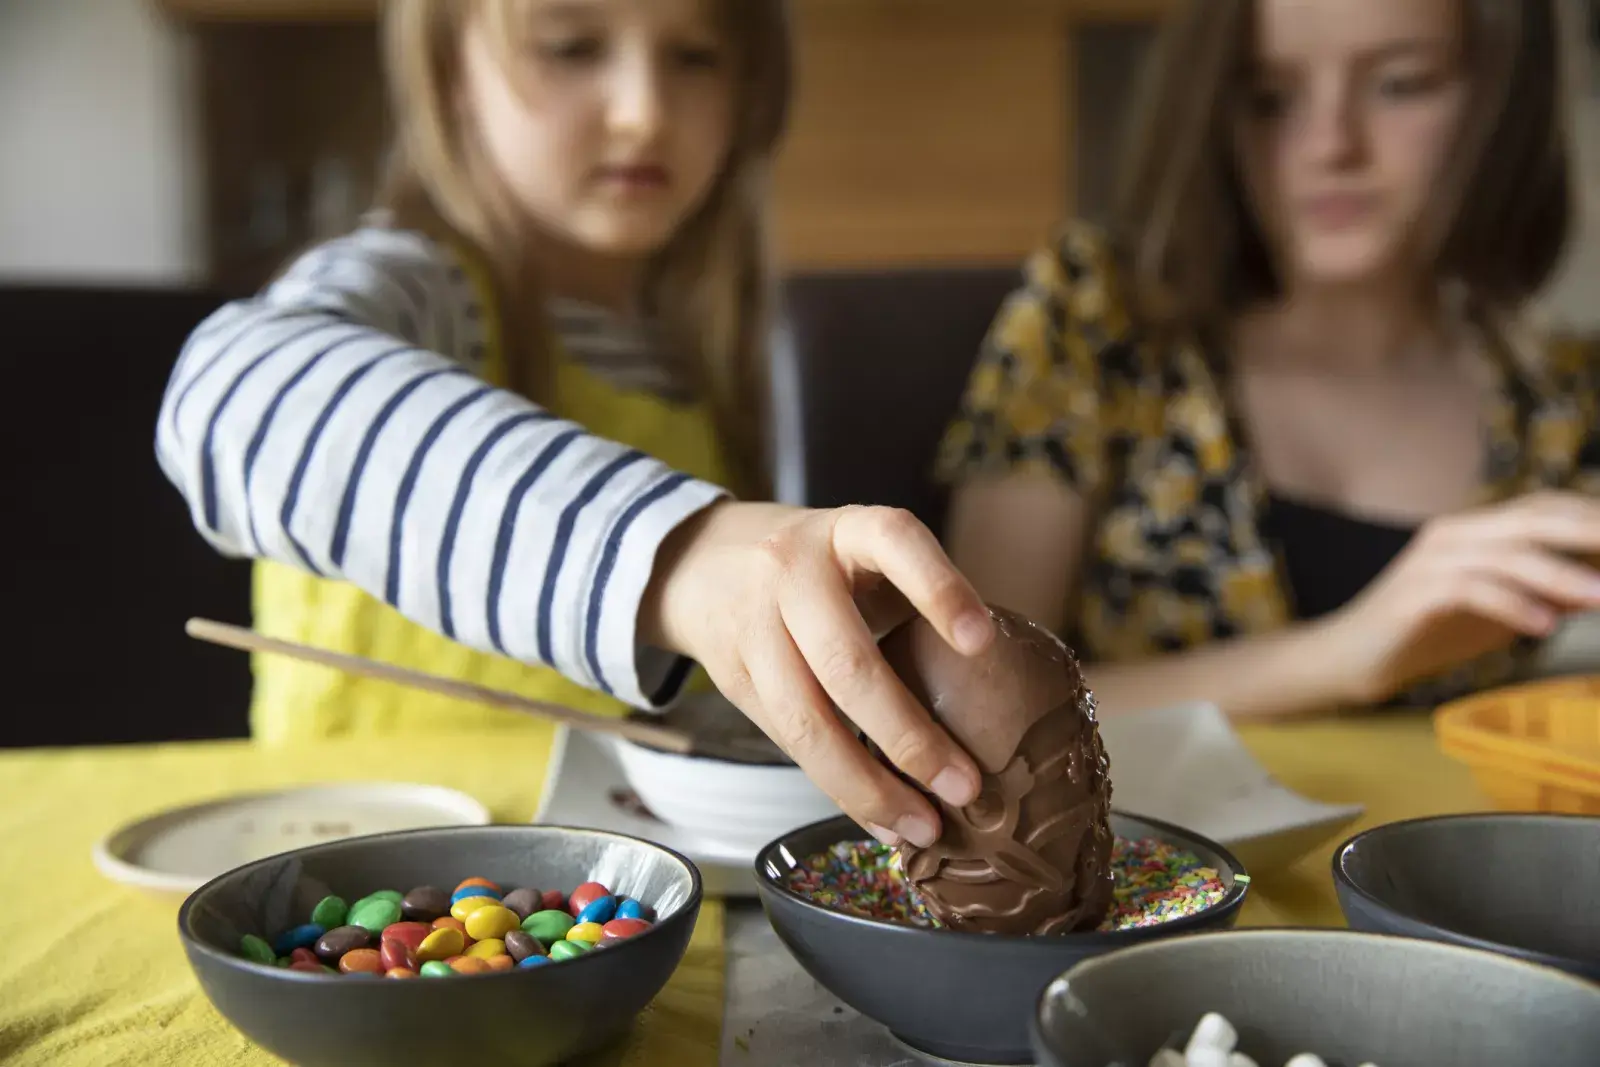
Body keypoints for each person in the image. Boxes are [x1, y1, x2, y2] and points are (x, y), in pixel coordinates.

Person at [155, 0, 990, 851]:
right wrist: (669, 550)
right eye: (570, 47)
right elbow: (232, 395)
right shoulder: (421, 288)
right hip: (356, 884)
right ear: (449, 78)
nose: (644, 112)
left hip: (601, 898)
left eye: (696, 56)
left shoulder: (702, 350)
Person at [939, 0, 1600, 721]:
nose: (1329, 145)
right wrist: (1343, 654)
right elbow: (976, 698)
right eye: (1268, 98)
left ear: (1503, 98)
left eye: (1401, 84)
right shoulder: (1097, 319)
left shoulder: (1562, 402)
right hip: (1152, 834)